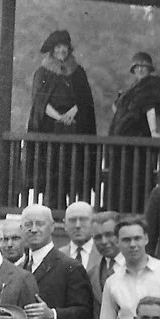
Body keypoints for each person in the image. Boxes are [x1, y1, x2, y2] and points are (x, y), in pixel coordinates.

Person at [25, 30, 96, 208]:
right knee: (51, 173)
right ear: (52, 50)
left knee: (74, 171)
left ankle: (74, 210)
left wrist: (73, 112)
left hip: (75, 126)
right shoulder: (42, 72)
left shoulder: (78, 72)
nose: (61, 50)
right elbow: (39, 102)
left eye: (64, 46)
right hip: (50, 127)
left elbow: (85, 99)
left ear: (69, 48)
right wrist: (59, 117)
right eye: (57, 47)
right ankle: (53, 211)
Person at [107, 50, 160, 140]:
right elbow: (116, 108)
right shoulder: (131, 90)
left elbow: (150, 108)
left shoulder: (153, 85)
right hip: (120, 135)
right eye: (137, 67)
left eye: (143, 66)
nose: (140, 70)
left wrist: (153, 131)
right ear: (134, 70)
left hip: (138, 135)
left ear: (149, 69)